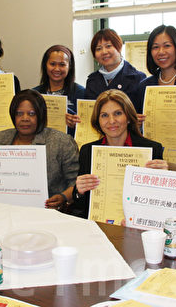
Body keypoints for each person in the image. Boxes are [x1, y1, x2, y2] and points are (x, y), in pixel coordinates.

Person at [70, 89, 166, 219]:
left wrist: (164, 180)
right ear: (98, 121)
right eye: (104, 115)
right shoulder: (88, 151)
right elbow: (80, 205)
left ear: (128, 117)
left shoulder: (152, 150)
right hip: (98, 224)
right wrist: (79, 192)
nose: (111, 121)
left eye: (118, 113)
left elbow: (159, 202)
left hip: (137, 222)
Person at [0, 89, 79, 210]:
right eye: (19, 113)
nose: (25, 118)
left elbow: (75, 182)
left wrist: (64, 197)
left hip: (48, 212)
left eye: (31, 114)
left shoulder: (62, 142)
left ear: (41, 115)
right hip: (4, 209)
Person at [133, 24, 176, 150]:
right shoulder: (144, 86)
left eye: (167, 46)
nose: (161, 52)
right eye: (155, 47)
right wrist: (136, 125)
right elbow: (137, 131)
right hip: (154, 155)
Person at [33, 45, 85, 135]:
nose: (57, 69)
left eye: (62, 64)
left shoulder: (81, 93)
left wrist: (77, 125)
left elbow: (89, 126)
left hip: (70, 142)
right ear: (45, 65)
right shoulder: (34, 94)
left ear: (70, 66)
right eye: (52, 64)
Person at [84, 29, 146, 101]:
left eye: (108, 46)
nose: (104, 52)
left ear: (119, 47)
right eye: (98, 49)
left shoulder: (137, 78)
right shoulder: (92, 81)